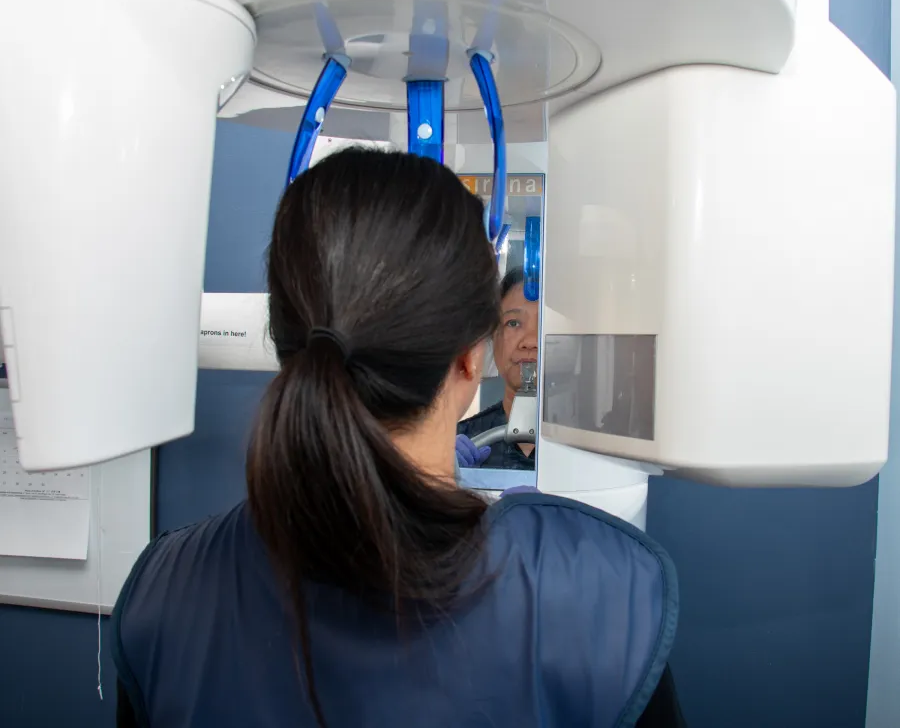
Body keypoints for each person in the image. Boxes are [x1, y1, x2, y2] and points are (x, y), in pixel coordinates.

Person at [111, 148, 685, 728]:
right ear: (471, 358)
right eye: (512, 323)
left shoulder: (164, 591)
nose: (528, 341)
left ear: (285, 344)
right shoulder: (599, 597)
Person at [456, 267, 537, 470]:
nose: (529, 342)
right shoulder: (463, 439)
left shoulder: (593, 446)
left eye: (545, 323)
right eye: (514, 323)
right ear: (493, 336)